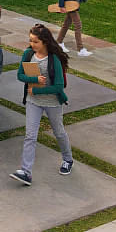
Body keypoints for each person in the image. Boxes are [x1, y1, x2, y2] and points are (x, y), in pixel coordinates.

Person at [10, 23, 74, 186]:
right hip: (33, 102)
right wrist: (34, 80)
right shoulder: (28, 54)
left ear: (45, 42)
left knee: (58, 132)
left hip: (52, 103)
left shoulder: (54, 60)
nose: (32, 44)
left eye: (35, 41)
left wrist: (38, 90)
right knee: (30, 136)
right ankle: (26, 172)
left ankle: (68, 159)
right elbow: (20, 75)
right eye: (30, 41)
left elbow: (58, 86)